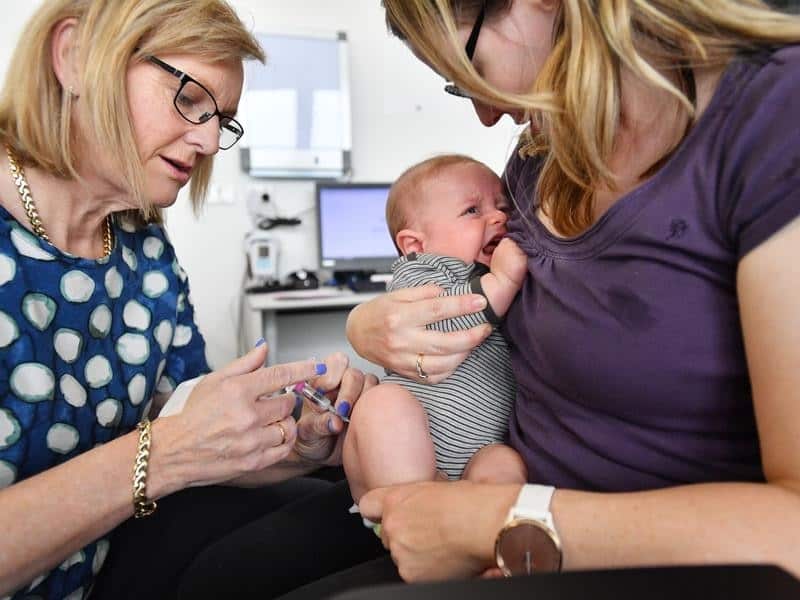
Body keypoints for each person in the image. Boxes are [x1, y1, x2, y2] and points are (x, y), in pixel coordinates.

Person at [288, 0, 800, 595]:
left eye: (470, 71)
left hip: (604, 546)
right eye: (458, 88)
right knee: (227, 568)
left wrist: (507, 521)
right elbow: (474, 295)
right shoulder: (537, 161)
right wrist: (367, 322)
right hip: (490, 498)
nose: (485, 115)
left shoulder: (773, 117)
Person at [0, 2, 376, 598]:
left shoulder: (142, 247)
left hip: (112, 556)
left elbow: (193, 435)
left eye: (221, 120)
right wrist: (166, 452)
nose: (207, 140)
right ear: (74, 58)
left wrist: (298, 444)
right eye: (189, 98)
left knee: (355, 508)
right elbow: (172, 449)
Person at [344, 154, 528, 503]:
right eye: (472, 210)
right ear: (416, 245)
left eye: (503, 207)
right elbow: (441, 319)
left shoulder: (487, 274)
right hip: (414, 449)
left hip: (479, 451)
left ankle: (480, 521)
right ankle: (409, 509)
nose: (498, 217)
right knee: (381, 404)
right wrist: (503, 282)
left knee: (504, 463)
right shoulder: (422, 272)